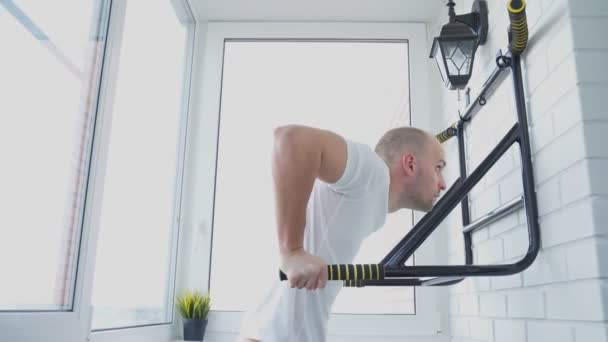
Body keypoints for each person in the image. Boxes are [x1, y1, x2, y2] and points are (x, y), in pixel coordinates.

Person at [237, 124, 447, 342]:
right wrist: (292, 251)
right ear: (410, 164)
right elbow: (292, 139)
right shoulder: (373, 173)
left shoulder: (374, 204)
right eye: (438, 167)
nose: (443, 184)